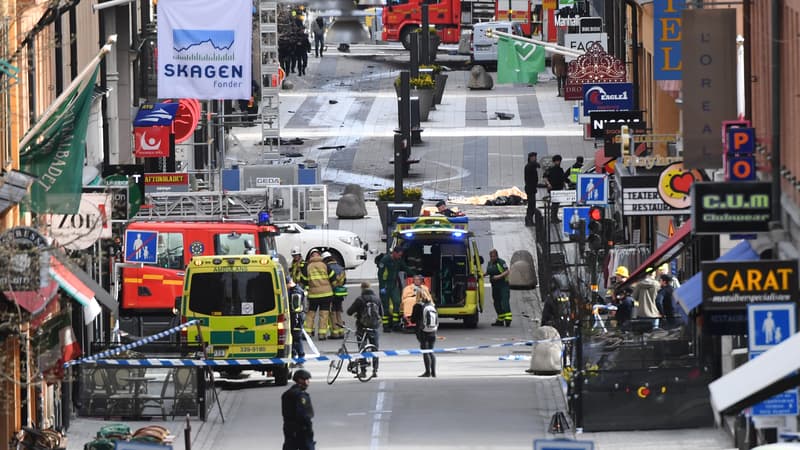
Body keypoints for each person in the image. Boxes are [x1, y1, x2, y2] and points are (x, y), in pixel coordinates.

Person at [346, 282, 383, 378]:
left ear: (362, 288)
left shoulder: (360, 299)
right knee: (375, 348)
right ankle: (375, 370)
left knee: (362, 349)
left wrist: (358, 314)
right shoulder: (377, 299)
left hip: (361, 327)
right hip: (374, 327)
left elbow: (349, 312)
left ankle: (363, 371)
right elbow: (381, 313)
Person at [377, 246, 414, 332]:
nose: (400, 257)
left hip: (393, 285)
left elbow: (405, 268)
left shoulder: (398, 260)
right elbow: (380, 275)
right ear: (394, 253)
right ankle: (386, 326)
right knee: (385, 306)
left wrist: (414, 275)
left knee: (397, 302)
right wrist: (382, 287)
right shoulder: (385, 260)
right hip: (385, 285)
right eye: (399, 255)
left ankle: (395, 324)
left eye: (401, 255)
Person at [303, 249, 335, 340]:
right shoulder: (325, 265)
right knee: (324, 315)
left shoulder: (308, 267)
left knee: (310, 314)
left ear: (310, 256)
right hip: (326, 294)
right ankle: (322, 334)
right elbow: (333, 277)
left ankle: (308, 333)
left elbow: (304, 281)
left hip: (313, 296)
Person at [282, 369, 315, 450]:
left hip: (288, 427)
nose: (308, 382)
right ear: (300, 380)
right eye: (307, 379)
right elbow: (303, 414)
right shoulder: (301, 396)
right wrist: (308, 427)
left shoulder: (286, 394)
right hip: (301, 429)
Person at [411, 294, 437, 378]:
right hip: (433, 331)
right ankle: (433, 372)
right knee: (431, 351)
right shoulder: (432, 306)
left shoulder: (417, 306)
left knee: (425, 351)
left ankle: (427, 372)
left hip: (422, 331)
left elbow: (413, 319)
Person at [322, 251, 346, 339]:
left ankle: (335, 333)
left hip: (331, 293)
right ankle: (341, 332)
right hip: (340, 294)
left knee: (332, 313)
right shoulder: (340, 267)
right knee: (338, 312)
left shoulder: (327, 268)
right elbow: (344, 281)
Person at [485, 249, 511, 327]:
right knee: (496, 302)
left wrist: (498, 276)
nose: (492, 258)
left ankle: (508, 319)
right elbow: (488, 272)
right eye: (491, 256)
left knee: (504, 302)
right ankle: (500, 319)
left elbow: (507, 271)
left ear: (497, 256)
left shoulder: (501, 262)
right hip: (494, 286)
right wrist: (482, 275)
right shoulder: (489, 263)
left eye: (494, 256)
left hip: (503, 285)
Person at [288, 277, 306, 367]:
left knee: (296, 338)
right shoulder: (296, 290)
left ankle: (300, 358)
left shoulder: (296, 292)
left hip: (296, 317)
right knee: (294, 338)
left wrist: (295, 320)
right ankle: (295, 357)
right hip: (296, 317)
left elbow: (295, 308)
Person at [543, 154, 567, 223]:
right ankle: (553, 217)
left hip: (559, 188)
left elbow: (562, 178)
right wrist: (548, 184)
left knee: (557, 204)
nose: (558, 162)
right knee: (554, 203)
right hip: (553, 188)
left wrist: (564, 186)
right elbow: (545, 177)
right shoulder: (550, 169)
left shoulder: (560, 170)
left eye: (559, 161)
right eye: (557, 161)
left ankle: (555, 217)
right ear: (554, 162)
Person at [524, 152, 540, 227]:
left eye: (535, 157)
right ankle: (528, 220)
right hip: (530, 188)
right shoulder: (529, 166)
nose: (535, 158)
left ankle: (529, 220)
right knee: (531, 205)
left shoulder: (532, 166)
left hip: (532, 188)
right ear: (530, 158)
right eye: (534, 157)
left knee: (532, 205)